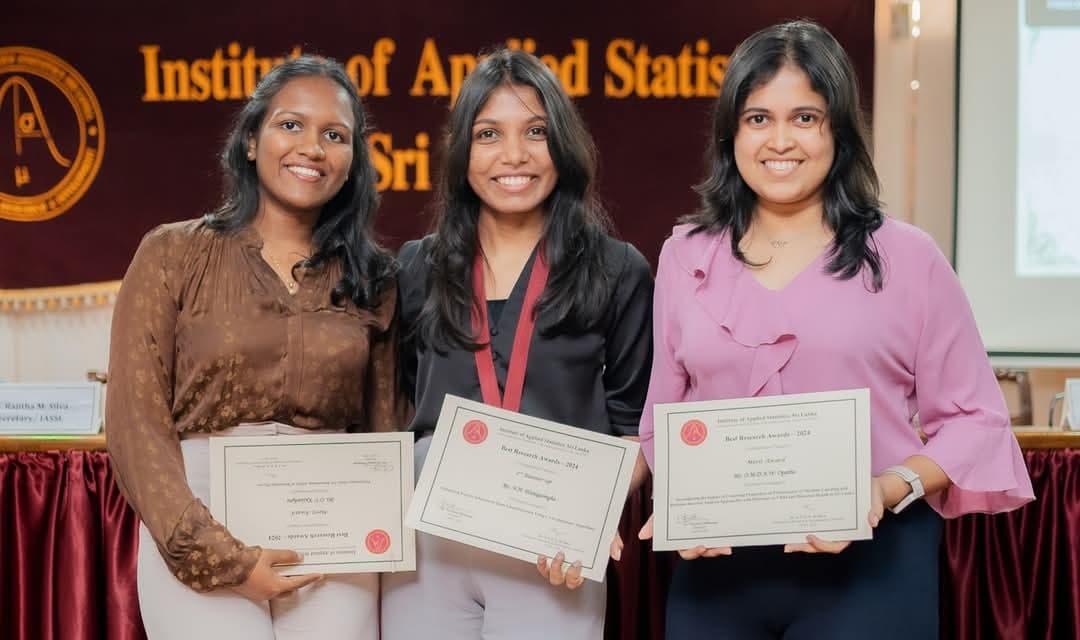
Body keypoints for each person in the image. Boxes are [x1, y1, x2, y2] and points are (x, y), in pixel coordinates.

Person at [637, 20, 1035, 639]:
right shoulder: (686, 255)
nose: (780, 141)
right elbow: (661, 417)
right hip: (717, 575)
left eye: (805, 117)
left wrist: (887, 485)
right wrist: (685, 504)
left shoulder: (908, 257)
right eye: (757, 118)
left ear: (839, 131)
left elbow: (977, 421)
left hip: (873, 568)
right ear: (731, 133)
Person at [106, 55, 403, 640]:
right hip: (199, 515)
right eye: (290, 125)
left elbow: (384, 429)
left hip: (333, 526)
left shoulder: (377, 279)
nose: (311, 147)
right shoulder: (172, 253)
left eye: (334, 135)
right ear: (250, 140)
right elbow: (136, 423)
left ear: (353, 163)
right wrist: (217, 555)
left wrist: (379, 537)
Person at [380, 48, 653, 640]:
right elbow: (400, 403)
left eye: (535, 131)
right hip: (430, 544)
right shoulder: (415, 268)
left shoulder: (617, 269)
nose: (513, 156)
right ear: (461, 152)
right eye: (488, 134)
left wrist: (586, 507)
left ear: (564, 146)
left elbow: (638, 430)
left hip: (552, 551)